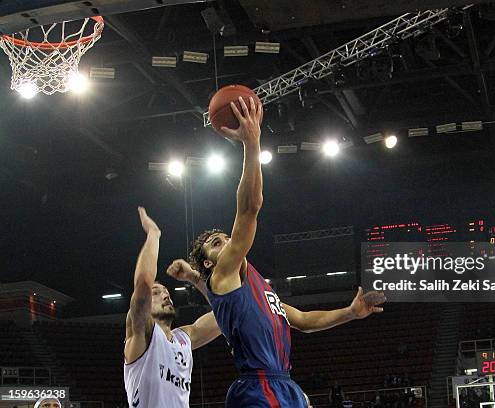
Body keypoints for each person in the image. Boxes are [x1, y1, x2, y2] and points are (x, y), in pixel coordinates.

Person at [167, 96, 386, 407]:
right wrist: (251, 142)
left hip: (284, 383)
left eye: (226, 237)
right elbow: (249, 208)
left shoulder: (254, 287)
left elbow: (304, 320)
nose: (226, 242)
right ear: (209, 262)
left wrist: (350, 313)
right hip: (258, 387)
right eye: (216, 243)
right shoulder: (224, 271)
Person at [123, 207, 222, 407]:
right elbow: (143, 282)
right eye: (156, 292)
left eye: (166, 291)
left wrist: (196, 279)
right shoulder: (142, 335)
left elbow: (226, 314)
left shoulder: (184, 338)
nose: (166, 294)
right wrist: (154, 234)